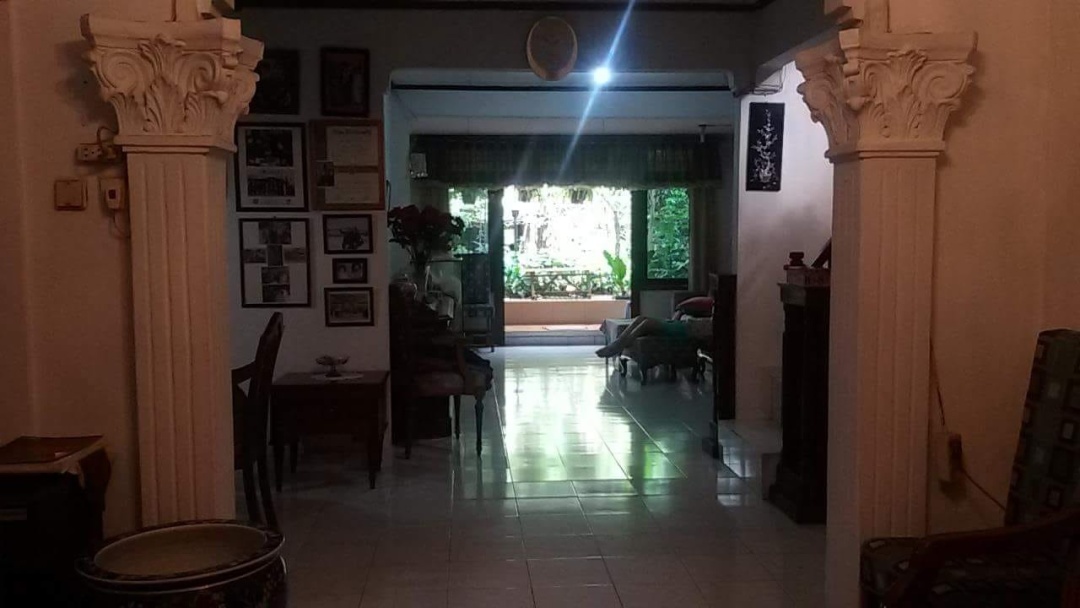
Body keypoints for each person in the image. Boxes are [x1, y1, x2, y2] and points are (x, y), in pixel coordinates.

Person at [596, 314, 712, 358]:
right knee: (640, 318)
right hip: (683, 325)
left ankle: (618, 346)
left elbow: (703, 330)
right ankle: (618, 343)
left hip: (687, 330)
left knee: (646, 324)